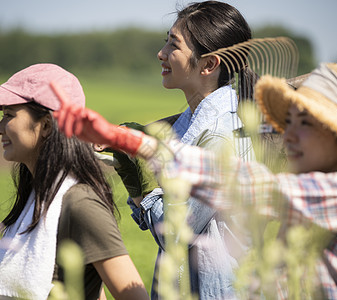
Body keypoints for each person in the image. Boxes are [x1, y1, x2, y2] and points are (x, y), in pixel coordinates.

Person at [54, 62, 337, 299]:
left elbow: (239, 182)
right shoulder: (310, 205)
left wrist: (132, 142)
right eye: (289, 122)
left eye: (306, 124)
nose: (289, 135)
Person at [104, 1, 256, 299]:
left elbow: (175, 232)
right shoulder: (185, 127)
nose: (161, 54)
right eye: (166, 42)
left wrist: (142, 186)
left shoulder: (220, 135)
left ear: (209, 64)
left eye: (174, 45)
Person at [0, 63, 149, 300]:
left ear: (46, 126)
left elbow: (134, 296)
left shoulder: (80, 202)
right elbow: (93, 289)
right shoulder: (39, 196)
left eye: (9, 115)